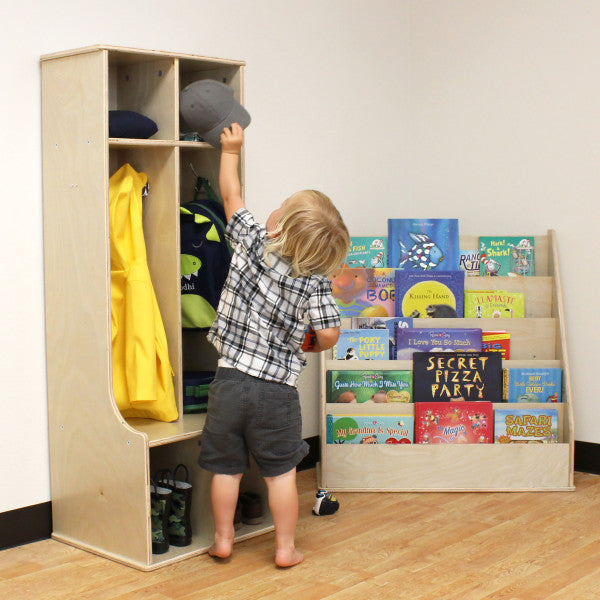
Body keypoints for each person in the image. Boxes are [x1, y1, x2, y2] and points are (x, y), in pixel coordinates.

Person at [198, 123, 350, 568]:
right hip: (277, 393)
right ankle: (285, 549)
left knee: (226, 468)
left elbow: (230, 194)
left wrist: (231, 149)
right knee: (280, 474)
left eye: (280, 206)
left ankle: (223, 540)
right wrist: (307, 341)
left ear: (279, 224)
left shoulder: (250, 242)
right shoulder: (316, 282)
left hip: (228, 380)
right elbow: (329, 335)